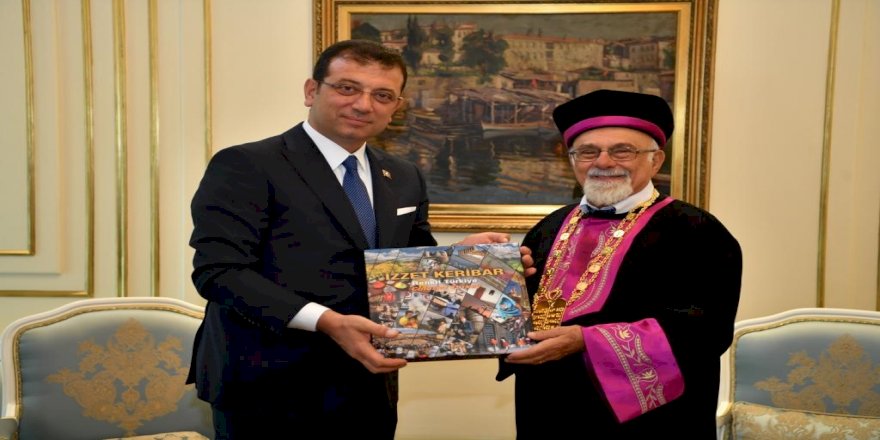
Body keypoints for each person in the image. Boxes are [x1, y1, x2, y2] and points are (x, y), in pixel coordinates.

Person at [187, 39, 520, 439]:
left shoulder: (404, 176)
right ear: (312, 91)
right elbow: (219, 272)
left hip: (368, 383)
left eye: (382, 95)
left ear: (396, 107)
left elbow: (408, 264)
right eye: (348, 88)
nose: (363, 105)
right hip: (267, 384)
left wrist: (460, 258)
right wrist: (328, 322)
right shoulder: (247, 164)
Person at [498, 89, 742, 438]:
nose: (603, 162)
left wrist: (587, 340)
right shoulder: (547, 228)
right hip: (546, 408)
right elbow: (514, 314)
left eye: (622, 151)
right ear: (572, 160)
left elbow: (705, 331)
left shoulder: (697, 232)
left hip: (652, 422)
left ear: (656, 161)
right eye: (587, 152)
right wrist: (491, 276)